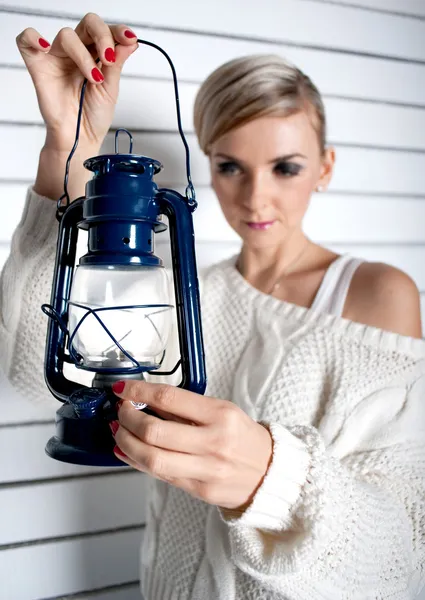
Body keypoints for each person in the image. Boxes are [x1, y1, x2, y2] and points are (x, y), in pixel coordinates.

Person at [2, 12, 425, 600]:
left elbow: (402, 549)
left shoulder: (378, 294)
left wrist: (272, 481)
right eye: (230, 167)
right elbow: (29, 370)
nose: (256, 196)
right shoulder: (186, 294)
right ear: (207, 164)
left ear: (325, 168)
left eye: (286, 167)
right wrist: (70, 146)